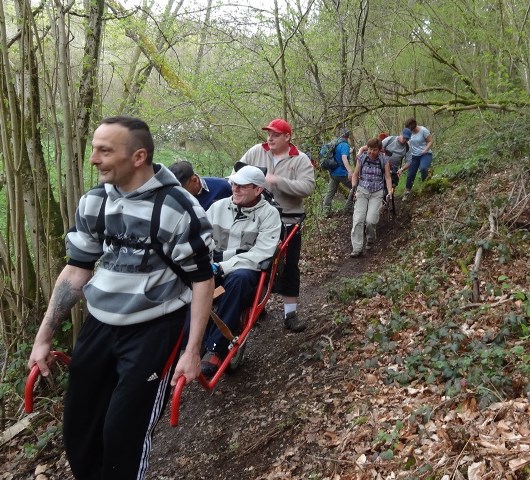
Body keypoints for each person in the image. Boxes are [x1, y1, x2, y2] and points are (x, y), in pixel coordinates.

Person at [27, 116, 215, 480]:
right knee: (80, 428)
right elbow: (76, 270)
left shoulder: (177, 207)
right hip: (100, 323)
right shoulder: (95, 201)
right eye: (94, 148)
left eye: (104, 150)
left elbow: (201, 281)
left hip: (154, 328)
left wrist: (192, 352)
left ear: (138, 156)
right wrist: (44, 336)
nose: (93, 158)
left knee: (123, 433)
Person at [200, 165, 282, 377]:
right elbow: (200, 238)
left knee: (239, 279)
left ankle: (216, 349)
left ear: (257, 190)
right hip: (212, 267)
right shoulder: (217, 208)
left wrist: (222, 266)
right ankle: (193, 342)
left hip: (244, 271)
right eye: (234, 184)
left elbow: (261, 253)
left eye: (242, 186)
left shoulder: (269, 215)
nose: (235, 189)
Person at [239, 118, 315, 332]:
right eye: (268, 134)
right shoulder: (256, 151)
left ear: (287, 137)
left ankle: (290, 314)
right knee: (251, 261)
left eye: (275, 134)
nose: (269, 138)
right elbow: (238, 173)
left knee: (288, 267)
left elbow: (308, 187)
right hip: (256, 219)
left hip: (289, 221)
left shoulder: (300, 160)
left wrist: (277, 181)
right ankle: (253, 307)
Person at [349, 137, 393, 257]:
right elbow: (355, 175)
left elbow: (388, 177)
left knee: (371, 220)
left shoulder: (384, 160)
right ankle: (357, 248)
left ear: (379, 150)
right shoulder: (362, 158)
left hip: (377, 192)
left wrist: (389, 191)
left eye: (374, 150)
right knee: (358, 220)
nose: (371, 152)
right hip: (362, 191)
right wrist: (354, 188)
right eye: (369, 149)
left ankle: (370, 240)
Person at [322, 127, 353, 216]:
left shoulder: (335, 143)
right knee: (355, 187)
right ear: (348, 136)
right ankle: (347, 209)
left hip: (333, 172)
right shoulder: (345, 145)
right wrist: (350, 171)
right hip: (342, 173)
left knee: (330, 192)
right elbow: (344, 158)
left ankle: (326, 212)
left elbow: (338, 154)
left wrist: (349, 152)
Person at [403, 117, 434, 201]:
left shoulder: (423, 130)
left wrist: (426, 149)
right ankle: (407, 192)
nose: (411, 131)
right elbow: (408, 142)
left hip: (425, 154)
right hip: (414, 156)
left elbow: (430, 140)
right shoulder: (409, 133)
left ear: (415, 126)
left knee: (423, 168)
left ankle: (426, 186)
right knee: (410, 174)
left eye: (412, 129)